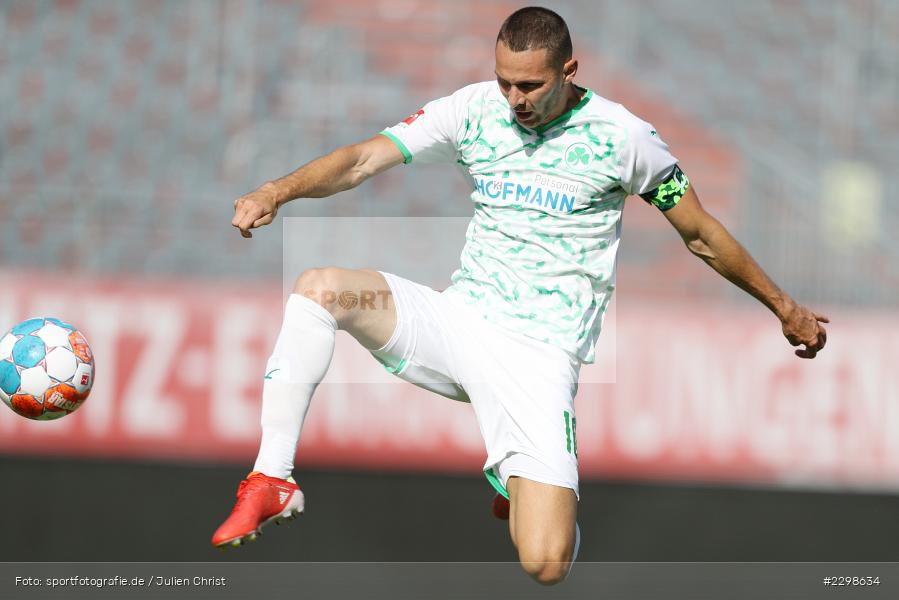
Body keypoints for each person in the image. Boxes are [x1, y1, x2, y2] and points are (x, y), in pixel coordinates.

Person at [212, 6, 828, 585]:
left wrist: (784, 307)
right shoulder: (473, 110)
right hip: (458, 322)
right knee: (321, 290)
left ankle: (524, 491)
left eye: (530, 86)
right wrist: (278, 190)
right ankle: (272, 476)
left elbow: (698, 233)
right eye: (505, 81)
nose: (515, 99)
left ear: (569, 71)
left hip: (539, 357)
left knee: (545, 563)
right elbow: (360, 161)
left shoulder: (623, 137)